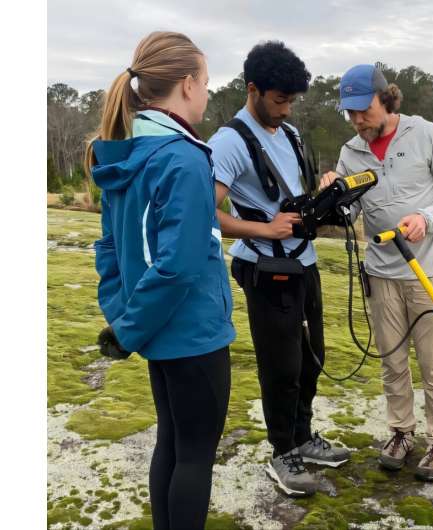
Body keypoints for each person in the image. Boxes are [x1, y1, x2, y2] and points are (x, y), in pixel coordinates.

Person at [86, 31, 235, 530]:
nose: (209, 93)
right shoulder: (184, 158)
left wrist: (126, 319)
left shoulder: (126, 153)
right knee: (193, 455)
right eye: (208, 82)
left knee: (172, 443)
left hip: (158, 333)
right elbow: (178, 265)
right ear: (188, 85)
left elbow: (108, 248)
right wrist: (127, 328)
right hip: (193, 334)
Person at [209, 41, 350, 498]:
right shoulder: (229, 142)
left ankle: (304, 438)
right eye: (279, 100)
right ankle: (282, 452)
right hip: (265, 270)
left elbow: (294, 197)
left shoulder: (288, 133)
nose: (286, 109)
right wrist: (265, 229)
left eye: (292, 101)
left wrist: (326, 193)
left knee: (313, 358)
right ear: (253, 89)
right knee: (281, 366)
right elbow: (204, 213)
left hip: (303, 264)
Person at [320, 64, 433, 481]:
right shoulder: (352, 152)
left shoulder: (427, 134)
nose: (355, 120)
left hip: (428, 270)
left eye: (362, 110)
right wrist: (334, 194)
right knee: (391, 359)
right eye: (348, 113)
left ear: (385, 98)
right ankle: (401, 432)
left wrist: (427, 217)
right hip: (380, 271)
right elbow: (348, 212)